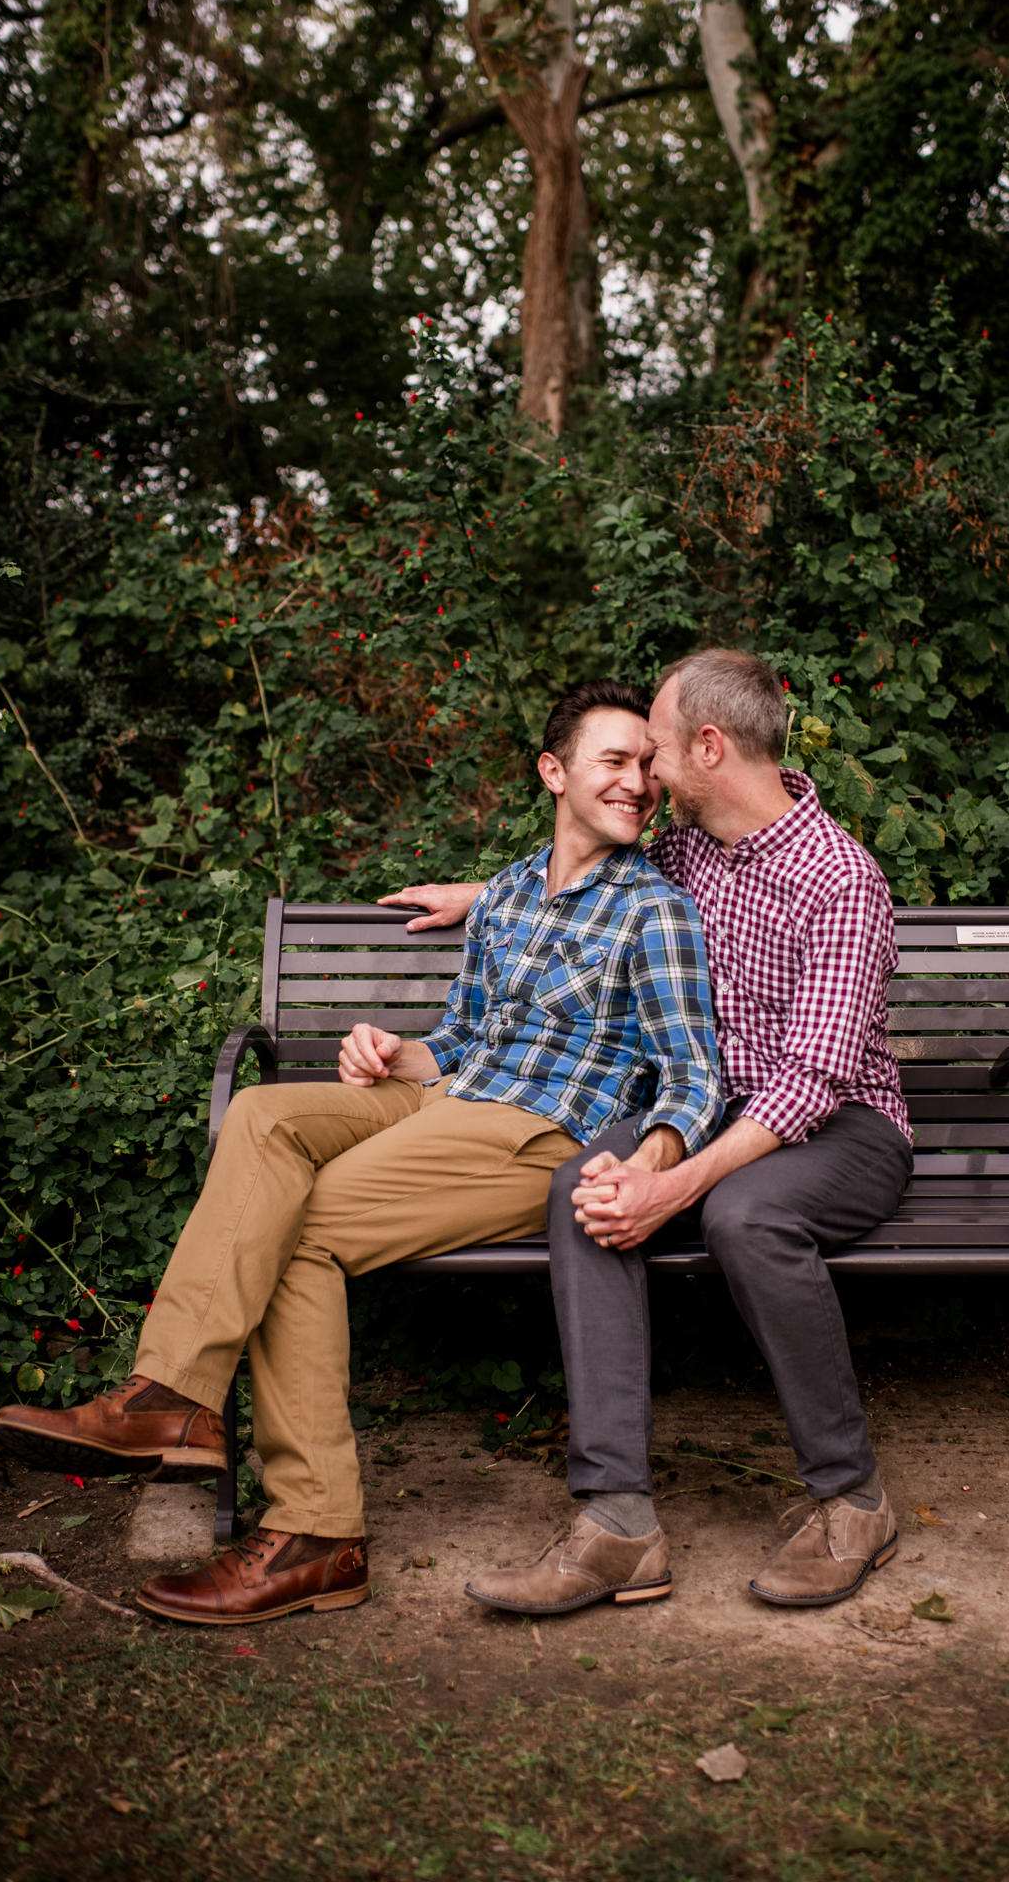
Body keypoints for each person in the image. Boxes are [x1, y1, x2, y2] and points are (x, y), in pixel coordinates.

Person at [0, 680, 722, 1625]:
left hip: (533, 1132)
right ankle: (169, 1397)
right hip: (446, 1096)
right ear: (554, 772)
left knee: (299, 1232)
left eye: (644, 767)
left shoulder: (653, 910)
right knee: (262, 1114)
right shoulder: (505, 892)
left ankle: (315, 1532)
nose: (636, 783)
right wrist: (385, 1048)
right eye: (612, 762)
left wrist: (652, 1163)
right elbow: (460, 1041)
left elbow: (692, 1075)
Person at [391, 650, 913, 1614]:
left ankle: (852, 1500)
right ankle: (617, 1525)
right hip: (711, 1108)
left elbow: (809, 1082)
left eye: (657, 750)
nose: (642, 773)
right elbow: (576, 866)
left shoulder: (841, 880)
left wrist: (673, 1183)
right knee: (584, 1187)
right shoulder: (687, 847)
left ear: (708, 747)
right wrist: (478, 897)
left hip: (840, 1129)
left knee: (744, 1217)